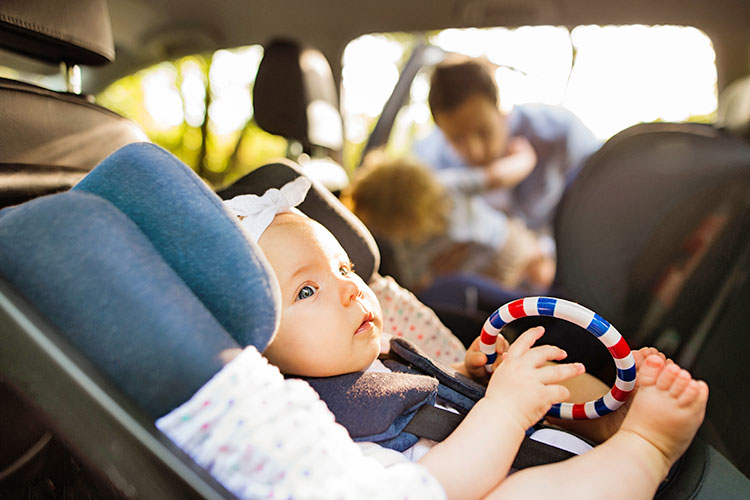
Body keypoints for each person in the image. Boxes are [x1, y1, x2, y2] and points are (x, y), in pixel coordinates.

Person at [225, 177, 709, 500]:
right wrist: (505, 408)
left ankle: (610, 414)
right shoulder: (314, 427)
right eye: (307, 290)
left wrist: (473, 377)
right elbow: (430, 486)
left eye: (344, 268)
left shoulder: (384, 352)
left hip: (544, 450)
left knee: (537, 366)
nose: (353, 288)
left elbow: (433, 404)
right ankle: (648, 445)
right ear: (257, 345)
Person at [414, 56, 602, 239]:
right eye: (457, 139)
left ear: (500, 107)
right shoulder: (429, 166)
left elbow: (601, 197)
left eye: (483, 131)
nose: (475, 151)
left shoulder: (558, 132)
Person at [344, 154, 555, 292]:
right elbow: (496, 176)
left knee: (530, 281)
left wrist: (437, 274)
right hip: (502, 246)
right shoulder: (445, 187)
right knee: (543, 275)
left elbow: (417, 284)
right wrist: (525, 157)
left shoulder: (407, 241)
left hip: (490, 267)